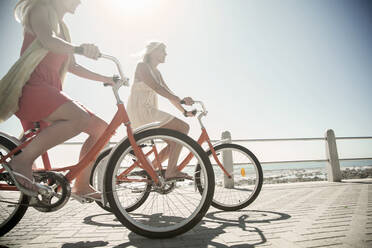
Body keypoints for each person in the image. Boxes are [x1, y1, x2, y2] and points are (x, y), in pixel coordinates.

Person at [1, 0, 115, 199]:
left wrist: (108, 79)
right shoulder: (40, 10)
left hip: (51, 92)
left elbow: (73, 66)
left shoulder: (63, 29)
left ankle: (82, 185)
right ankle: (22, 161)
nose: (80, 1)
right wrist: (80, 48)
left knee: (101, 130)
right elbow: (48, 40)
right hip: (33, 89)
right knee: (80, 119)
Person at [127, 41, 195, 180]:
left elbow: (168, 94)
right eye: (163, 51)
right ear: (153, 52)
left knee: (174, 142)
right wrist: (180, 100)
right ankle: (171, 171)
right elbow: (157, 88)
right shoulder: (142, 66)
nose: (166, 54)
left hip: (148, 112)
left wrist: (184, 111)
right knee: (183, 128)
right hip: (140, 111)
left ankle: (150, 169)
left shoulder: (157, 72)